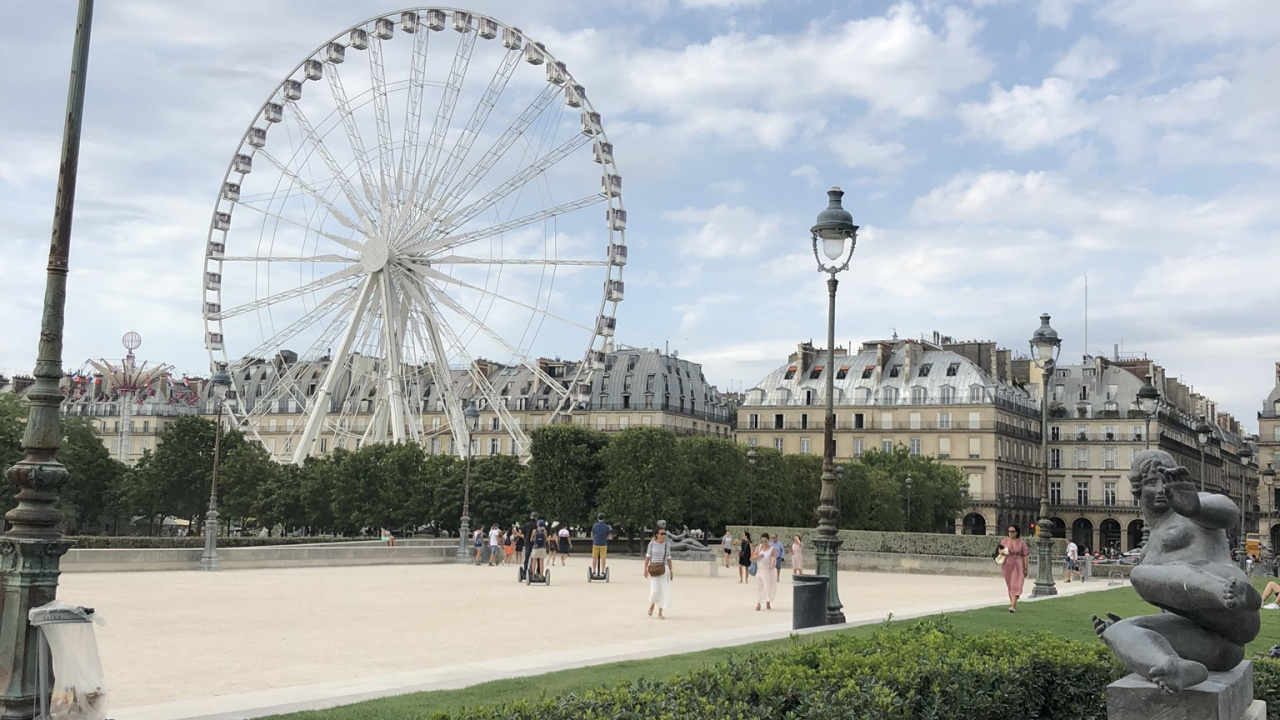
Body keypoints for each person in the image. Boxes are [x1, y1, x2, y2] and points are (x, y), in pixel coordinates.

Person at [1093, 450, 1262, 692]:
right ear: (1137, 489)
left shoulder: (1191, 508)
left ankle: (1222, 589)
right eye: (1152, 482)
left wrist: (1195, 507)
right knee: (1120, 632)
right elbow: (1173, 606)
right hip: (1221, 649)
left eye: (1166, 481)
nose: (1161, 489)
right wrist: (1139, 635)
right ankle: (1174, 668)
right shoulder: (1147, 553)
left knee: (1139, 573)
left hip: (1236, 608)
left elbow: (1229, 512)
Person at [643, 527, 673, 619]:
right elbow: (648, 557)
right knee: (655, 590)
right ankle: (652, 604)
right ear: (657, 535)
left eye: (665, 534)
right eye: (662, 534)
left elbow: (669, 558)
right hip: (654, 569)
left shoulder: (666, 545)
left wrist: (671, 571)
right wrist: (645, 569)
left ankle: (660, 612)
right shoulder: (651, 544)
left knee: (663, 591)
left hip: (664, 569)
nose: (664, 535)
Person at [998, 525, 1029, 612]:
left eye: (1012, 531)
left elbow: (1025, 555)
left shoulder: (1021, 543)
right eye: (1009, 531)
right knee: (1010, 585)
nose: (1010, 533)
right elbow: (1000, 551)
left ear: (1017, 532)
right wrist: (1002, 552)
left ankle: (1012, 606)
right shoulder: (1004, 541)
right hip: (1007, 564)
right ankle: (1013, 605)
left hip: (1018, 564)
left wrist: (1025, 568)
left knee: (1016, 584)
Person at [752, 533, 778, 610]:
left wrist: (772, 562)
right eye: (762, 540)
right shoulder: (759, 547)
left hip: (768, 570)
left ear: (768, 540)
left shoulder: (772, 549)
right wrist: (759, 556)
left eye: (765, 540)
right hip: (759, 569)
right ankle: (758, 603)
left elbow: (774, 559)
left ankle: (768, 602)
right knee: (759, 587)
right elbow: (753, 556)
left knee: (767, 586)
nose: (764, 542)